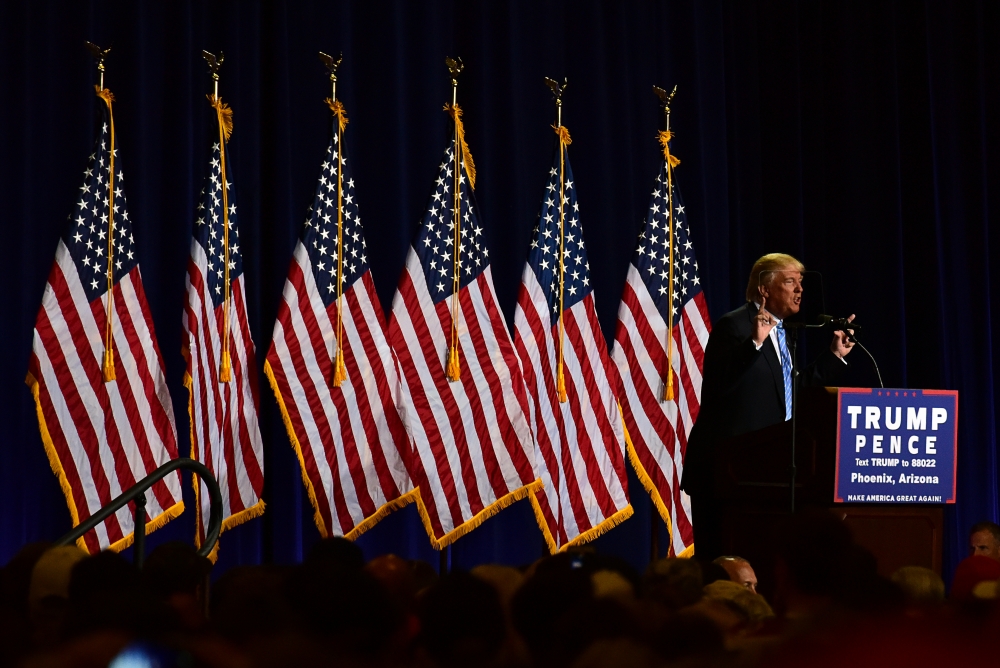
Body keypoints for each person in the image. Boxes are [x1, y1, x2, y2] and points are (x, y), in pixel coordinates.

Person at [681, 253, 855, 560]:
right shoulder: (734, 326)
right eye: (790, 282)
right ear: (764, 289)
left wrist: (833, 356)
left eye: (801, 283)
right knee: (723, 563)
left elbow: (790, 393)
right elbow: (720, 382)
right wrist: (754, 344)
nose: (800, 290)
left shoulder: (784, 334)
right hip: (728, 474)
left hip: (770, 472)